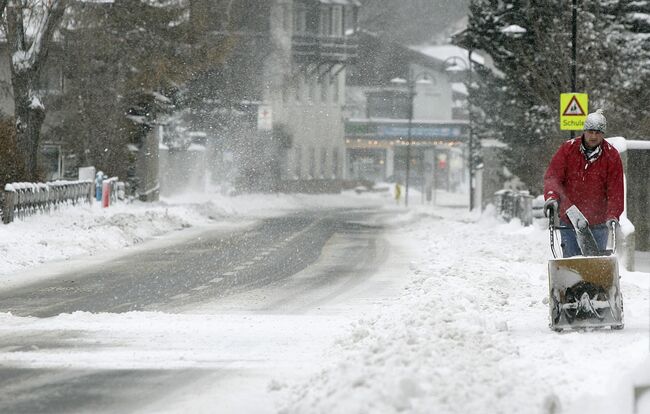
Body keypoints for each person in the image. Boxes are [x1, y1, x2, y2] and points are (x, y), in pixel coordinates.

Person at [543, 109, 624, 257]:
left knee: (595, 267)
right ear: (584, 131)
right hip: (569, 220)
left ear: (603, 134)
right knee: (571, 263)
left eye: (598, 133)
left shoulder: (611, 156)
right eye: (590, 132)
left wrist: (613, 215)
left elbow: (615, 190)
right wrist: (552, 197)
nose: (593, 136)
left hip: (598, 222)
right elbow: (553, 177)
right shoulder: (567, 149)